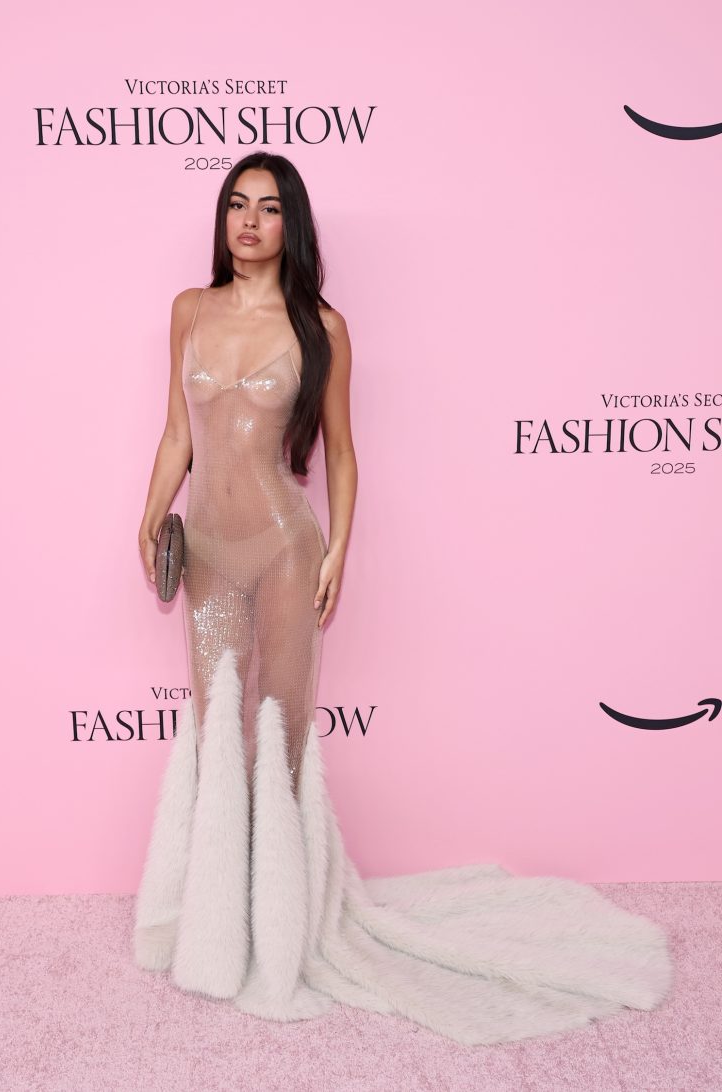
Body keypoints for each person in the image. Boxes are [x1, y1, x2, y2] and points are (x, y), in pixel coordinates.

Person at [132, 153, 672, 1046]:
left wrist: (340, 546)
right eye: (236, 204)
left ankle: (284, 936)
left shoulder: (322, 326)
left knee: (280, 736)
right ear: (222, 218)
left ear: (292, 224)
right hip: (211, 555)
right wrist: (151, 511)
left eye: (269, 208)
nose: (249, 222)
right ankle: (214, 932)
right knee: (216, 728)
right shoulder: (189, 309)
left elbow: (342, 451)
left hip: (286, 548)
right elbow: (173, 435)